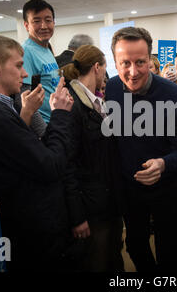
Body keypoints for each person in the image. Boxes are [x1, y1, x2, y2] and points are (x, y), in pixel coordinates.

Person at [0, 34, 80, 271]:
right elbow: (51, 166)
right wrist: (59, 114)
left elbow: (32, 155)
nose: (25, 73)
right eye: (18, 66)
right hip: (31, 234)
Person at [106, 27, 177, 272]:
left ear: (150, 58)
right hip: (129, 192)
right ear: (114, 62)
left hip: (167, 191)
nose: (133, 72)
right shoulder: (112, 89)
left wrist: (164, 164)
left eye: (141, 62)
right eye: (125, 63)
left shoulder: (175, 95)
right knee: (134, 246)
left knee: (168, 254)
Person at [60, 44, 124, 272]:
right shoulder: (72, 106)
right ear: (97, 67)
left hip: (107, 202)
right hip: (91, 209)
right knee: (96, 262)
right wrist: (77, 217)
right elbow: (66, 166)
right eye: (106, 68)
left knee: (113, 257)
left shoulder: (97, 102)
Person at [21, 0, 60, 123]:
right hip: (45, 125)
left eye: (48, 20)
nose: (44, 26)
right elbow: (24, 98)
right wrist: (43, 131)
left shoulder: (47, 49)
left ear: (53, 22)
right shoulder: (26, 52)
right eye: (36, 21)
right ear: (26, 25)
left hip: (56, 119)